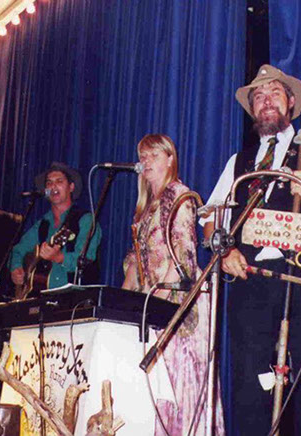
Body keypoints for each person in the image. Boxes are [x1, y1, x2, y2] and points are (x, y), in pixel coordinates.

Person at [201, 65, 301, 435]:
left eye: (274, 92)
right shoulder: (239, 162)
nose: (266, 100)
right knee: (250, 388)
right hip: (251, 285)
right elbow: (211, 218)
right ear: (253, 110)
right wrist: (223, 251)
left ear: (290, 102)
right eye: (258, 96)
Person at [122, 134, 224, 436]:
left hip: (177, 302)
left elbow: (181, 253)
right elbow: (135, 263)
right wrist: (123, 302)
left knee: (179, 382)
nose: (146, 162)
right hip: (152, 299)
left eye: (154, 155)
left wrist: (159, 303)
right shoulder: (145, 207)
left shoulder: (179, 195)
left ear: (170, 159)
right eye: (143, 156)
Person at [10, 162, 101, 297]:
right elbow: (17, 250)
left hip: (74, 300)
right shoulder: (43, 224)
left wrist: (60, 258)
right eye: (49, 183)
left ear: (71, 187)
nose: (53, 186)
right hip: (40, 298)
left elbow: (86, 260)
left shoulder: (86, 220)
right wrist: (16, 268)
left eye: (59, 181)